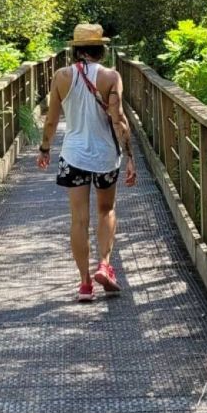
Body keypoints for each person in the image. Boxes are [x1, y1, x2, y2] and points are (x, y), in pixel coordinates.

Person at [38, 23, 138, 301]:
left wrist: (45, 148)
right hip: (106, 155)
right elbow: (118, 119)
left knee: (78, 220)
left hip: (73, 156)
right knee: (106, 211)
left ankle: (84, 285)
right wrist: (130, 157)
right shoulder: (111, 76)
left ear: (76, 49)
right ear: (101, 49)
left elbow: (51, 119)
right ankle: (104, 265)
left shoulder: (61, 76)